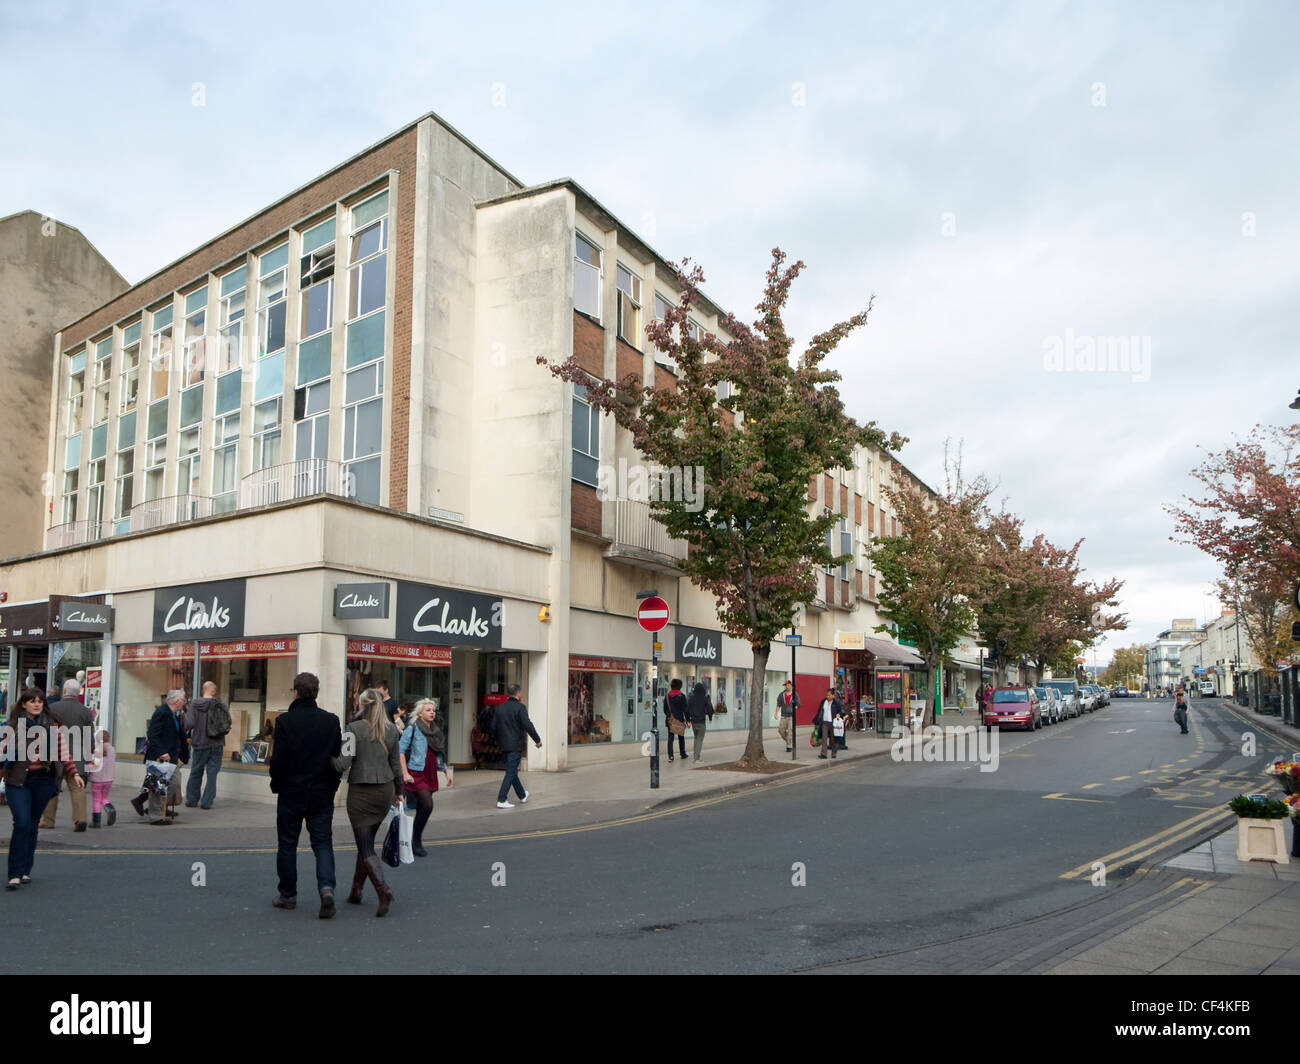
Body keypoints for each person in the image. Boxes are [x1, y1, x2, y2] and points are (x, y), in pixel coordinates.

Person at [269, 672, 343, 918]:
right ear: (316, 692)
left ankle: (288, 895)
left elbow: (279, 760)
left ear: (296, 692)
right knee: (322, 843)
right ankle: (326, 889)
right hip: (321, 792)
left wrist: (276, 784)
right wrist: (332, 786)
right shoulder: (331, 721)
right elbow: (336, 760)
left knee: (288, 843)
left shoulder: (285, 722)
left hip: (291, 791)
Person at [4, 687, 83, 889]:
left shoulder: (52, 724)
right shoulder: (13, 725)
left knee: (31, 824)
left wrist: (74, 773)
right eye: (32, 701)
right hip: (18, 780)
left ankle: (24, 870)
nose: (37, 704)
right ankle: (14, 873)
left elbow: (63, 752)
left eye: (40, 701)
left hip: (43, 780)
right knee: (21, 823)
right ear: (24, 704)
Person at [334, 688, 401, 916]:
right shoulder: (391, 730)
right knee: (367, 844)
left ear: (362, 704)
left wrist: (325, 756)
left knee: (365, 847)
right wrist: (399, 792)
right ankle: (356, 890)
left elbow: (343, 764)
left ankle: (383, 890)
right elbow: (396, 766)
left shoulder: (352, 730)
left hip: (361, 795)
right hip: (384, 792)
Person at [39, 678, 93, 832]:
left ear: (64, 691)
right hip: (77, 755)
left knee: (52, 787)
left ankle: (48, 820)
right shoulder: (86, 711)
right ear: (79, 693)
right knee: (77, 788)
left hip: (56, 753)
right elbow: (89, 736)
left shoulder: (53, 708)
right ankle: (80, 819)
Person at [132, 690, 188, 824]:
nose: (184, 702)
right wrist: (161, 751)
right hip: (160, 757)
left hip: (171, 757)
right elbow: (152, 734)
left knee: (174, 783)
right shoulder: (162, 713)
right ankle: (156, 816)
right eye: (183, 700)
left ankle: (159, 807)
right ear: (177, 701)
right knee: (158, 786)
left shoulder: (173, 714)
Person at [399, 698, 442, 857]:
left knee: (423, 808)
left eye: (433, 710)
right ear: (420, 713)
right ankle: (416, 840)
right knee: (428, 804)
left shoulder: (435, 729)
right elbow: (400, 750)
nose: (432, 712)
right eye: (428, 710)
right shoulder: (413, 728)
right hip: (416, 772)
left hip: (430, 772)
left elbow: (437, 751)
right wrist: (405, 773)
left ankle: (415, 839)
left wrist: (444, 770)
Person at [493, 683, 542, 808]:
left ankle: (522, 795)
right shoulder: (520, 708)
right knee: (510, 772)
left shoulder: (499, 708)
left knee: (512, 771)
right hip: (515, 745)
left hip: (503, 746)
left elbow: (493, 727)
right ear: (518, 693)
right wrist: (537, 740)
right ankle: (502, 799)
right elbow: (528, 725)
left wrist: (499, 741)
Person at [183, 681, 228, 810]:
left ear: (203, 690)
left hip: (199, 743)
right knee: (212, 774)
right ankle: (207, 802)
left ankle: (192, 800)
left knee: (196, 772)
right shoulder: (220, 704)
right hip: (217, 743)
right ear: (214, 691)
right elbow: (227, 723)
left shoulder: (195, 704)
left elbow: (189, 723)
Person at [86, 729, 116, 828]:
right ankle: (110, 809)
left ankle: (96, 822)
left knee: (96, 800)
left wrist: (86, 767)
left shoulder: (97, 751)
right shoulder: (112, 749)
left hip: (97, 780)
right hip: (109, 779)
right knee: (103, 798)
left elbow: (94, 765)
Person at [686, 681, 713, 763]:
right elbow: (709, 708)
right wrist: (710, 717)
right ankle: (697, 758)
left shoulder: (691, 698)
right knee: (699, 739)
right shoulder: (705, 698)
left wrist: (688, 720)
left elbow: (686, 709)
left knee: (696, 738)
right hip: (701, 722)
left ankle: (695, 756)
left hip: (693, 722)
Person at [662, 678, 688, 763]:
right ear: (680, 686)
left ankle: (670, 756)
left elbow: (665, 709)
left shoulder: (667, 696)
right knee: (681, 737)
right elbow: (685, 709)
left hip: (670, 720)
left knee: (670, 738)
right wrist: (688, 720)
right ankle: (682, 754)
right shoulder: (682, 696)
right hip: (680, 719)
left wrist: (669, 716)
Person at [814, 688, 844, 759]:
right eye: (826, 695)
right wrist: (816, 720)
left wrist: (839, 714)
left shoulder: (836, 703)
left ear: (833, 696)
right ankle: (824, 754)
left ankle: (834, 753)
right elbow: (819, 711)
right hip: (824, 723)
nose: (827, 696)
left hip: (833, 723)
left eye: (829, 695)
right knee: (824, 738)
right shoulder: (823, 702)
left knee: (833, 739)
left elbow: (840, 712)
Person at [775, 681, 799, 752]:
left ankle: (789, 746)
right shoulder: (781, 694)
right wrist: (776, 713)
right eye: (786, 685)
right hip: (783, 716)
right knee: (780, 730)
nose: (787, 686)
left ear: (791, 686)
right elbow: (778, 705)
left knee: (790, 731)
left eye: (788, 685)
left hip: (791, 716)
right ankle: (789, 741)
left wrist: (796, 707)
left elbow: (798, 703)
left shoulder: (795, 694)